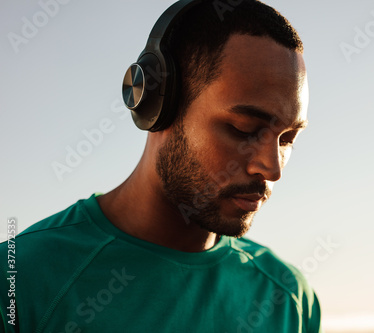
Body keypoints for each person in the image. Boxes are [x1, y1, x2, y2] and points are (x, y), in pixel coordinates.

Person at [0, 0, 322, 332]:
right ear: (156, 105)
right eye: (244, 129)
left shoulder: (291, 300)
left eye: (287, 138)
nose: (272, 169)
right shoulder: (18, 281)